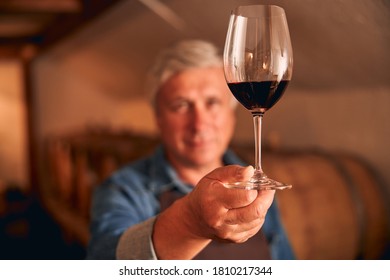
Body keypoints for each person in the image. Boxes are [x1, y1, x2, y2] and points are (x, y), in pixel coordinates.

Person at [86, 40, 295, 260]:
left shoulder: (257, 184)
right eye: (181, 106)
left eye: (212, 103)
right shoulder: (123, 189)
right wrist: (190, 223)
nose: (199, 124)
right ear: (158, 118)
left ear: (231, 114)